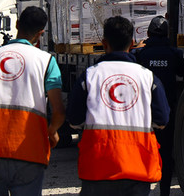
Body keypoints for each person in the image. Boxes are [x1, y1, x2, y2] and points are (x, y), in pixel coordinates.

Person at [0, 6, 65, 196]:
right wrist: (51, 132)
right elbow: (59, 112)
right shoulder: (46, 61)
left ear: (16, 25)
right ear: (41, 33)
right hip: (29, 152)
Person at [68, 15, 169, 196]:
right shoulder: (148, 77)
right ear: (132, 43)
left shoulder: (90, 76)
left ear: (104, 43)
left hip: (98, 168)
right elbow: (162, 120)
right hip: (138, 167)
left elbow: (74, 119)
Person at [133, 16, 184, 196]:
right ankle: (164, 192)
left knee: (142, 151)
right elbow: (183, 71)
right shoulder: (174, 54)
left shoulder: (140, 55)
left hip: (143, 113)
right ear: (167, 34)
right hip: (166, 112)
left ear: (148, 33)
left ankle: (143, 189)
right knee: (165, 152)